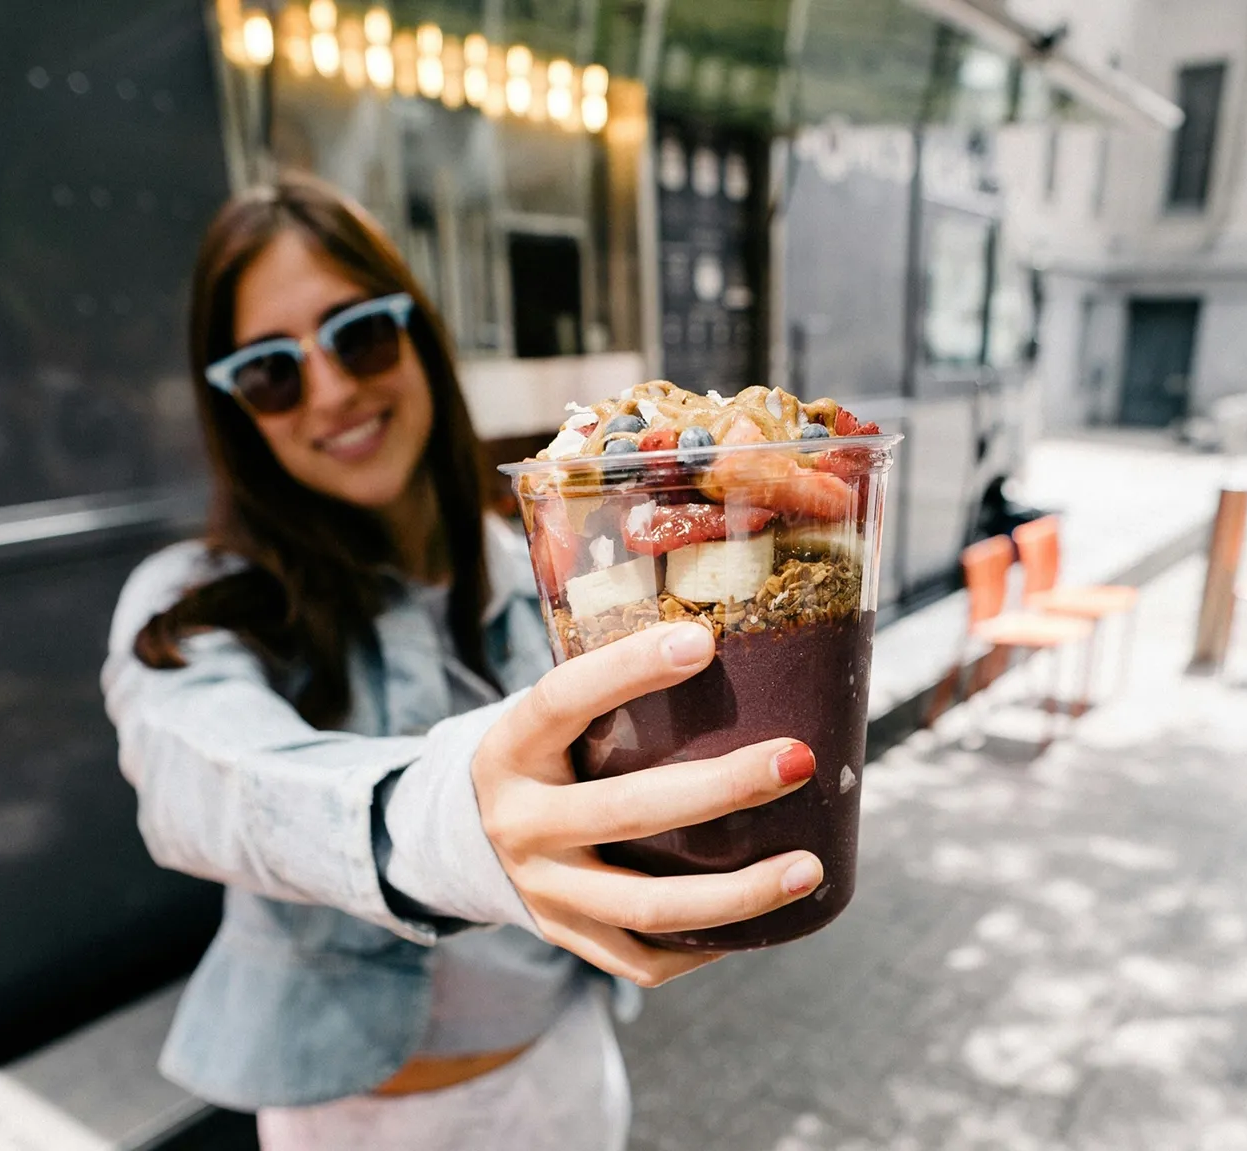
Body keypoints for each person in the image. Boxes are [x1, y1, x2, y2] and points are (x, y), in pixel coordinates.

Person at [100, 172, 825, 1150]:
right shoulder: (189, 598)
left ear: (421, 335)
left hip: (562, 1074)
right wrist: (449, 818)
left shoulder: (558, 557)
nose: (331, 389)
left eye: (359, 334)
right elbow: (206, 778)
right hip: (354, 1121)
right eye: (270, 371)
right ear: (235, 409)